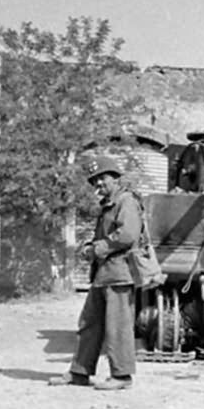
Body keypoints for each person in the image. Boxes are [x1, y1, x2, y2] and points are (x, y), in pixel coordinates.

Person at [50, 155, 142, 391]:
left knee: (118, 326)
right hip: (104, 274)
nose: (98, 185)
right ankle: (79, 372)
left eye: (102, 179)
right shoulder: (109, 203)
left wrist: (98, 248)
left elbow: (128, 234)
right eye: (95, 182)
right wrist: (89, 247)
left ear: (114, 177)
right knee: (89, 324)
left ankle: (122, 376)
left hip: (120, 273)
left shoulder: (126, 201)